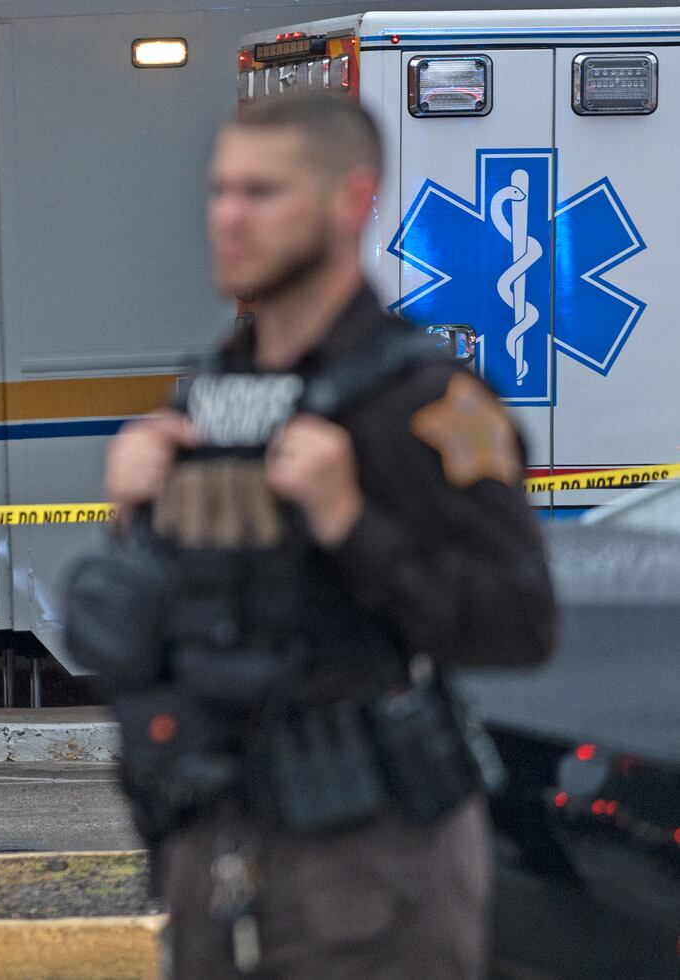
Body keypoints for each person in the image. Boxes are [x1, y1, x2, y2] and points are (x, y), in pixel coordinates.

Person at [96, 94, 556, 978]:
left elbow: (519, 622)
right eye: (222, 189)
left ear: (351, 201)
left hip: (372, 854)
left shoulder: (421, 400)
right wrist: (135, 518)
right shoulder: (208, 401)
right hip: (216, 842)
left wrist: (351, 518)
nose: (229, 216)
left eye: (263, 192)